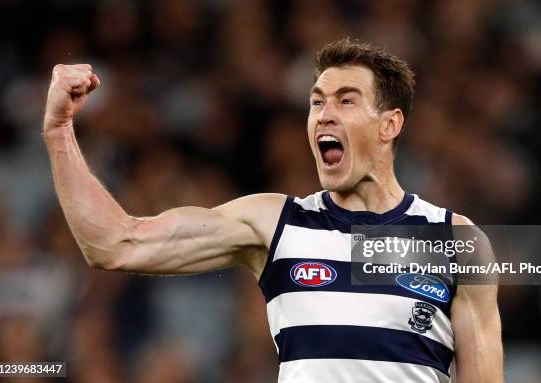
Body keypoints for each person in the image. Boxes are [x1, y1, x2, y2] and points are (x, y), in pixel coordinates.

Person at [43, 38, 502, 382]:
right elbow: (116, 243)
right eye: (316, 102)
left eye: (346, 100)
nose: (324, 114)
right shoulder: (274, 224)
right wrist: (59, 130)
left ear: (390, 124)